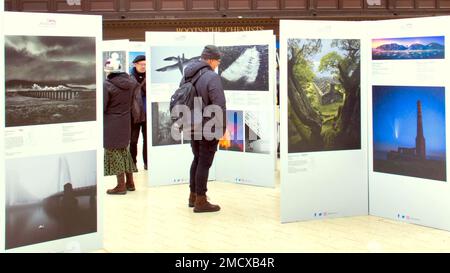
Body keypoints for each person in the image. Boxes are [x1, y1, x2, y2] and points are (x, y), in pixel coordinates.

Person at [183, 45, 226, 213]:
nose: (217, 64)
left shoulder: (187, 75)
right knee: (204, 162)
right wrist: (222, 128)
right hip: (209, 125)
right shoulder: (211, 77)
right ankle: (201, 200)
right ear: (210, 59)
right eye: (217, 61)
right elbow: (219, 104)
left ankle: (193, 196)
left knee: (197, 159)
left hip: (191, 123)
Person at [103, 54, 139, 194]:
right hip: (125, 120)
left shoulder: (107, 85)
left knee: (113, 150)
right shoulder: (130, 83)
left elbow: (103, 106)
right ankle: (130, 183)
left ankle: (120, 186)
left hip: (112, 122)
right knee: (124, 150)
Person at [129, 55, 148, 170]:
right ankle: (132, 164)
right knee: (133, 140)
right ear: (135, 64)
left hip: (147, 114)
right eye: (141, 64)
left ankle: (147, 163)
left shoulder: (149, 76)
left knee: (147, 140)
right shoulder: (129, 77)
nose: (143, 66)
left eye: (145, 64)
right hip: (134, 114)